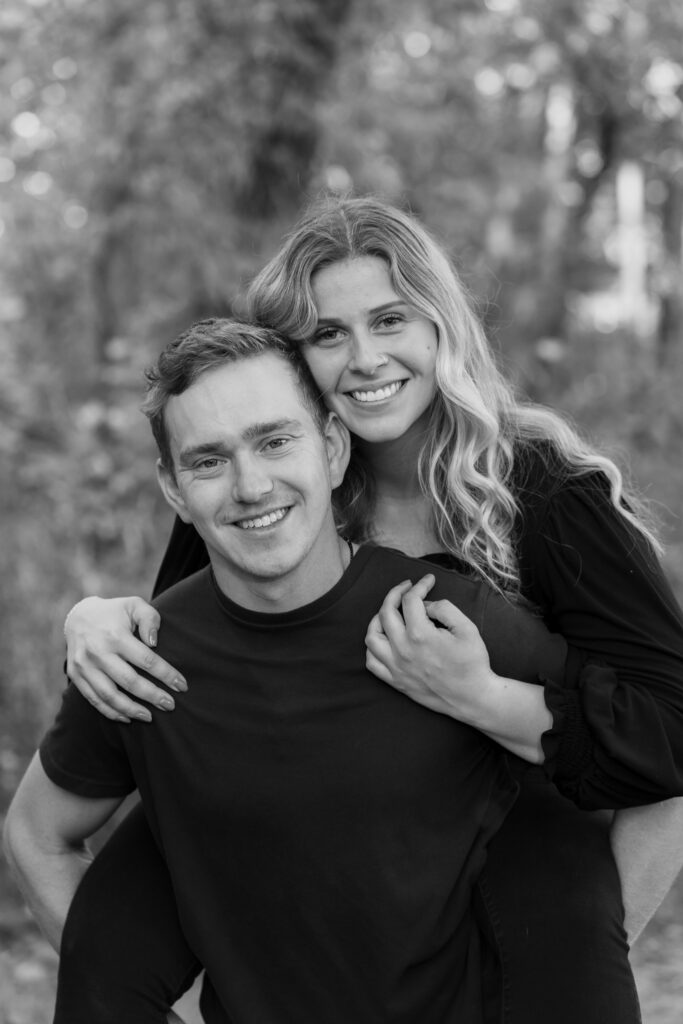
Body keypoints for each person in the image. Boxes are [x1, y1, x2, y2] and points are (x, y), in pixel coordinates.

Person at [60, 197, 683, 1022]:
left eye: (390, 320)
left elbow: (666, 735)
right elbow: (191, 635)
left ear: (441, 328)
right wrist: (93, 617)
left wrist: (482, 697)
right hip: (323, 820)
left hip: (515, 819)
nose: (364, 359)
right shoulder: (274, 493)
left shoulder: (545, 490)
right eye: (326, 335)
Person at [4, 318, 577, 1024]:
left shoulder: (447, 621)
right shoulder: (141, 656)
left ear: (333, 449)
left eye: (275, 441)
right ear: (175, 489)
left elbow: (631, 753)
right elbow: (36, 833)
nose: (250, 485)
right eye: (208, 461)